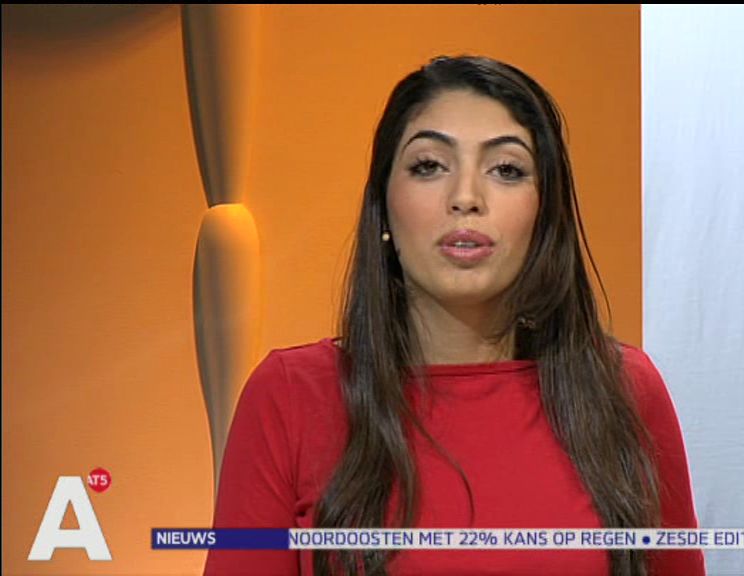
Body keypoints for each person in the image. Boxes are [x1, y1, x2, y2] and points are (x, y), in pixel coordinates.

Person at [204, 55, 704, 576]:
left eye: (506, 170)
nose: (466, 198)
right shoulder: (289, 396)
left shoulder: (624, 390)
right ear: (384, 206)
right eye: (429, 166)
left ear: (544, 213)